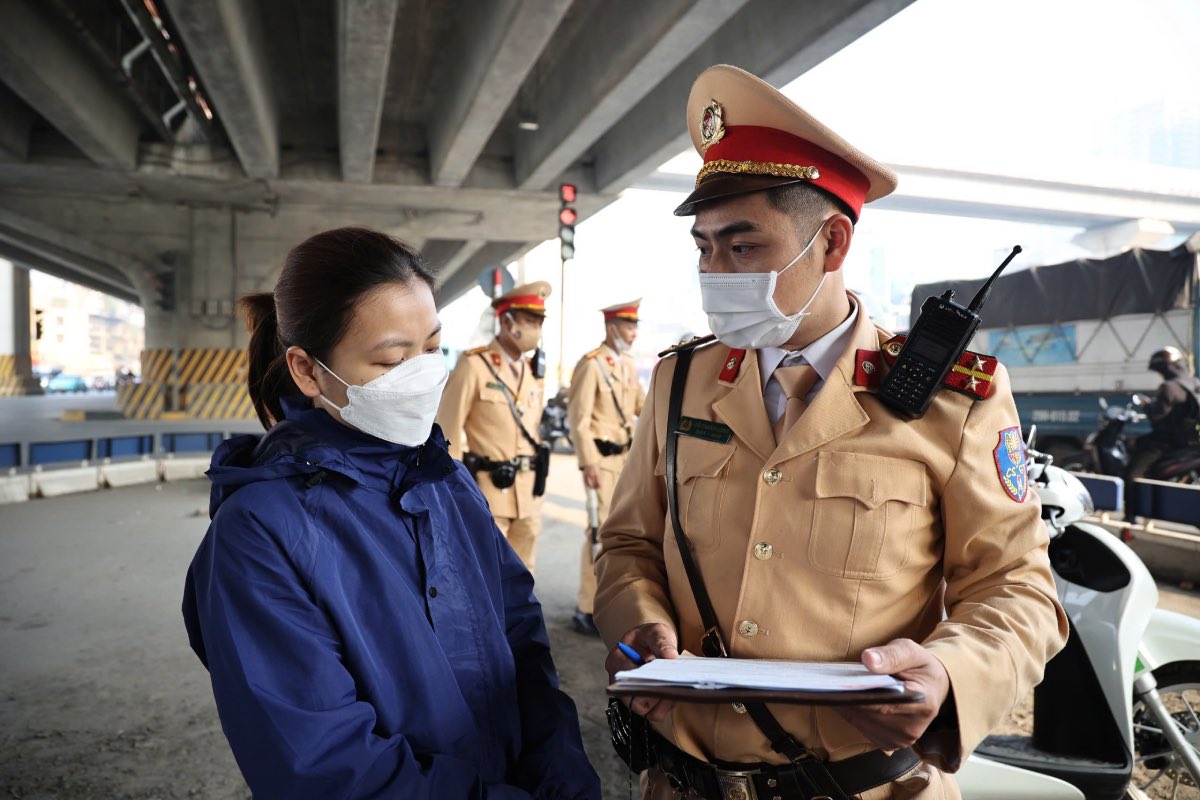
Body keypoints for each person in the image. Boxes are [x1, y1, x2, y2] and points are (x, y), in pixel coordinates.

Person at [593, 65, 1068, 799]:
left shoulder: (953, 400)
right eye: (704, 247)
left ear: (834, 243)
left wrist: (947, 674)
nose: (715, 271)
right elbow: (626, 544)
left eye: (743, 247)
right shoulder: (680, 382)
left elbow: (1017, 588)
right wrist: (639, 628)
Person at [181, 228, 599, 800]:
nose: (424, 374)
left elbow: (521, 641)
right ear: (306, 371)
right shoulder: (259, 533)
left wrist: (561, 776)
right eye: (392, 359)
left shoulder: (444, 479)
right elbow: (323, 766)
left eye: (431, 349)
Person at [437, 282, 551, 571]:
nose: (535, 329)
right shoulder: (474, 365)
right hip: (488, 492)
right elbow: (447, 433)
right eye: (528, 321)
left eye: (539, 322)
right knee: (488, 574)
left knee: (525, 575)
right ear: (506, 320)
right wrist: (457, 492)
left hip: (528, 496)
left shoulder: (533, 372)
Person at [566, 300, 647, 636]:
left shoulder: (626, 366)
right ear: (612, 328)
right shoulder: (591, 365)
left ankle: (610, 602)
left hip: (624, 462)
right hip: (600, 461)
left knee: (620, 534)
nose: (633, 334)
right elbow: (579, 420)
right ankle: (587, 606)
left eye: (635, 327)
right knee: (598, 534)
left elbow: (644, 406)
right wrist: (587, 462)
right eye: (629, 327)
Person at [1125, 345, 1200, 519]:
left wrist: (1147, 406)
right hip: (1191, 442)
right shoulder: (1195, 382)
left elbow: (1157, 416)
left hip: (1165, 443)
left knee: (1133, 473)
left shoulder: (1169, 387)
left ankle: (1130, 517)